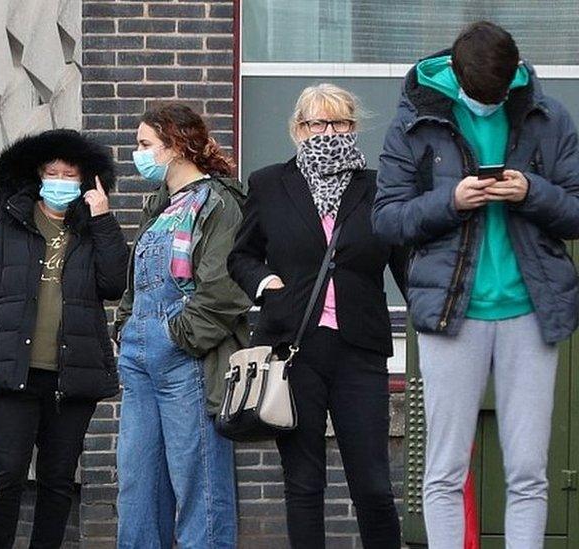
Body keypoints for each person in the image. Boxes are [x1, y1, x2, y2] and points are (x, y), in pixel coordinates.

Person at [372, 21, 579, 549]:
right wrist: (451, 202)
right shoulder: (415, 120)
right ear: (458, 78)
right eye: (482, 95)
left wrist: (532, 191)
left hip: (530, 312)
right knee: (443, 468)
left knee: (529, 471)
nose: (493, 102)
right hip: (449, 313)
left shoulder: (549, 117)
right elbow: (387, 220)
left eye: (503, 91)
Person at [229, 84, 406, 548]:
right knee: (304, 483)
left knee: (372, 484)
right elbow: (242, 256)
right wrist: (265, 284)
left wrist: (437, 312)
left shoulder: (378, 187)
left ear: (353, 127)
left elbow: (405, 263)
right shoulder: (269, 183)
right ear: (298, 129)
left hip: (359, 350)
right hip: (295, 349)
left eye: (340, 123)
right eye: (317, 124)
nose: (329, 133)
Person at [0, 129, 128, 548]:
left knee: (59, 477)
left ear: (85, 180)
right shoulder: (9, 223)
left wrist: (102, 218)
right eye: (52, 172)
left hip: (71, 374)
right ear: (37, 176)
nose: (60, 180)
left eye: (70, 174)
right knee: (7, 473)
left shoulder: (90, 229)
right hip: (12, 371)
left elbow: (115, 282)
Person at [113, 103, 250, 548]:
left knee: (199, 481)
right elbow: (137, 277)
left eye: (145, 145)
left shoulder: (218, 201)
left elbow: (225, 286)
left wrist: (178, 337)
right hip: (138, 354)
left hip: (184, 355)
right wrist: (125, 324)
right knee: (137, 480)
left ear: (175, 147)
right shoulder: (160, 206)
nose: (138, 154)